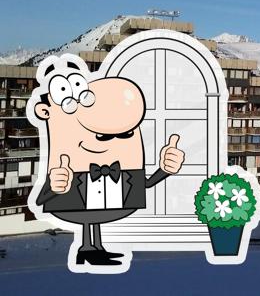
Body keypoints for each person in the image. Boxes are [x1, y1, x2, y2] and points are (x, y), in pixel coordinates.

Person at [32, 54, 185, 267]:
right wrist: (55, 187)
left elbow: (146, 184)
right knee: (88, 217)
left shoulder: (125, 171)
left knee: (93, 219)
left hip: (109, 200)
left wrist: (166, 169)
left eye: (124, 135)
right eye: (103, 135)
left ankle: (92, 249)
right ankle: (87, 248)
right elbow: (41, 200)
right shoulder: (66, 169)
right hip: (76, 196)